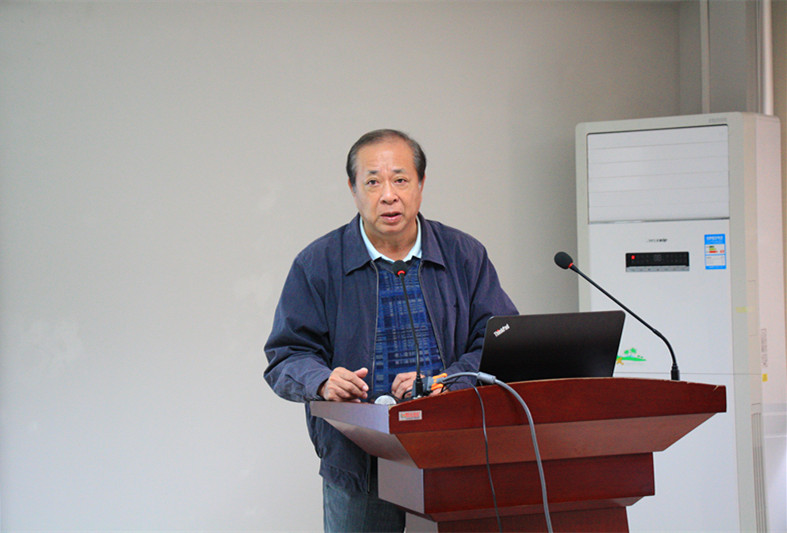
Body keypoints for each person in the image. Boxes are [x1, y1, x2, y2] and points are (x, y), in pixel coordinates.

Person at [264, 129, 517, 532]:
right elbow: (286, 356)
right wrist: (323, 381)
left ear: (421, 183)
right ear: (352, 189)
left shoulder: (464, 254)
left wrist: (447, 382)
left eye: (400, 179)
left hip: (455, 451)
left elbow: (500, 343)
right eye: (372, 182)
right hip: (359, 463)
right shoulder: (317, 264)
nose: (388, 195)